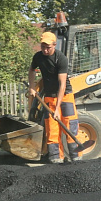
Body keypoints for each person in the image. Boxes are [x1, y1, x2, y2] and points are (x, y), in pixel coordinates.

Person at [28, 31, 80, 163]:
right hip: (49, 97)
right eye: (43, 46)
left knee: (69, 126)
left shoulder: (60, 58)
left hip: (65, 96)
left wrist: (57, 108)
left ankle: (76, 158)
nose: (45, 50)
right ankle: (56, 158)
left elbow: (62, 85)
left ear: (54, 45)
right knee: (52, 129)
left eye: (48, 47)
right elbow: (31, 70)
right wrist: (32, 87)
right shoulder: (38, 57)